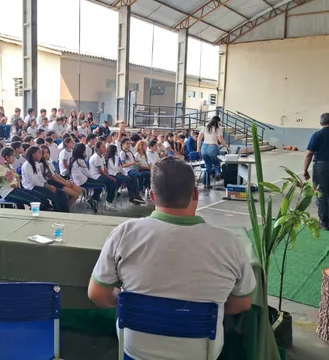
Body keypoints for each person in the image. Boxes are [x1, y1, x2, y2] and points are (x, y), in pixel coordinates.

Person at [87, 157, 256, 360]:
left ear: (151, 195)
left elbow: (97, 294)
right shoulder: (229, 243)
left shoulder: (125, 233)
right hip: (200, 353)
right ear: (195, 193)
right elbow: (243, 303)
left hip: (136, 351)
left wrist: (129, 303)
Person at [21, 146, 69, 212]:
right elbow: (34, 182)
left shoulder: (36, 163)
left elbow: (41, 177)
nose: (41, 155)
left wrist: (47, 185)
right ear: (33, 154)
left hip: (40, 185)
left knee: (61, 193)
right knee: (54, 196)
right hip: (32, 187)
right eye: (39, 153)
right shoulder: (27, 165)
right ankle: (59, 213)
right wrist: (46, 186)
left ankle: (65, 212)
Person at [69, 143, 103, 213]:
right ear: (82, 151)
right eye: (84, 150)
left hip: (77, 181)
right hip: (83, 182)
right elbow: (87, 173)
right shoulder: (80, 161)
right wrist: (94, 179)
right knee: (102, 184)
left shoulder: (72, 159)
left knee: (98, 183)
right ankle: (93, 199)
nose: (85, 152)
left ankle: (90, 199)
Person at [197, 115, 229, 189]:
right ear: (218, 121)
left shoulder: (205, 127)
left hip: (204, 148)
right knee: (217, 163)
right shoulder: (218, 128)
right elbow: (220, 139)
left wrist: (198, 148)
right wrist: (227, 147)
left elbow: (199, 138)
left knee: (208, 165)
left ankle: (206, 184)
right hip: (213, 147)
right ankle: (217, 173)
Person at [88, 142, 118, 211]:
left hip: (100, 175)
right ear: (97, 149)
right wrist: (110, 177)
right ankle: (108, 202)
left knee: (113, 181)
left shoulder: (101, 156)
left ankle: (94, 199)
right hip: (95, 176)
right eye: (103, 147)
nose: (105, 149)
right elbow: (100, 171)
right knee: (111, 182)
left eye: (105, 147)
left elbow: (105, 168)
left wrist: (110, 176)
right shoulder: (96, 157)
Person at [119, 138, 147, 204]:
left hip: (132, 169)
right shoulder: (122, 153)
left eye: (129, 144)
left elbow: (133, 161)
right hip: (127, 170)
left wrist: (136, 164)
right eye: (127, 144)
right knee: (140, 175)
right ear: (123, 144)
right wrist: (133, 163)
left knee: (133, 180)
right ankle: (136, 195)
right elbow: (123, 165)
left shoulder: (130, 152)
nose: (129, 145)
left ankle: (135, 197)